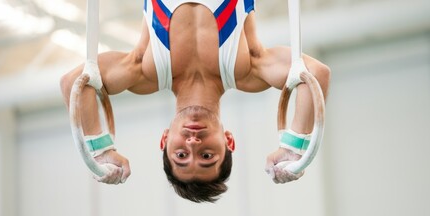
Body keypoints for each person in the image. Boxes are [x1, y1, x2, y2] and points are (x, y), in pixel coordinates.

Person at [60, 0, 330, 203]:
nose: (192, 143)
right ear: (229, 142)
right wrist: (294, 147)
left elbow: (74, 83)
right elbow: (315, 74)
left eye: (181, 155)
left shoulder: (144, 70)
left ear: (164, 140)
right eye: (207, 156)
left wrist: (100, 149)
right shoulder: (248, 70)